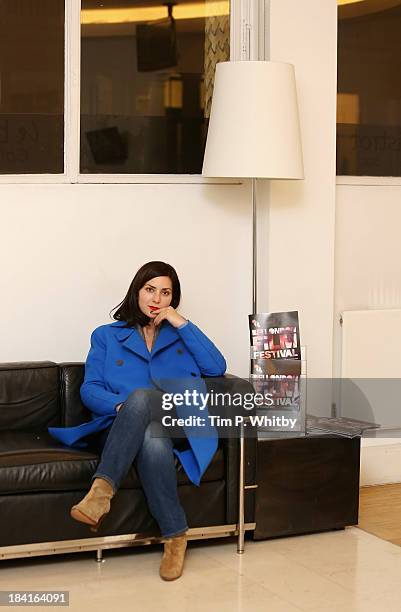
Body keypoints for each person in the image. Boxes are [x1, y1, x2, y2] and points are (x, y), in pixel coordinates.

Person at [48, 261, 226, 581]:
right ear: (137, 291)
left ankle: (100, 493)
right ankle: (175, 536)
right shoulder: (106, 336)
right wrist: (122, 408)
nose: (156, 298)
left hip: (175, 419)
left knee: (144, 400)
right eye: (149, 289)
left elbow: (216, 367)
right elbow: (89, 389)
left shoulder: (181, 333)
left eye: (165, 292)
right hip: (121, 425)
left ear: (173, 298)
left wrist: (180, 321)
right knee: (148, 435)